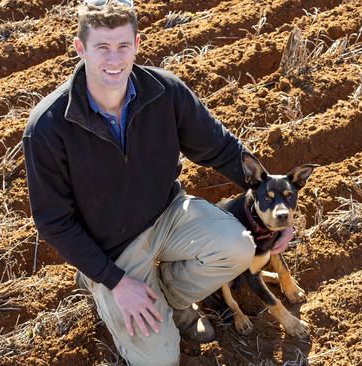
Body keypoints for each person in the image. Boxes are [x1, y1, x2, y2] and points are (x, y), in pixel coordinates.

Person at [22, 0, 292, 364]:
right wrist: (114, 280)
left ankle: (172, 300)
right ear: (80, 48)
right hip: (112, 250)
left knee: (239, 246)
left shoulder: (164, 92)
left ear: (137, 43)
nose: (114, 59)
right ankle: (100, 285)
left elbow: (222, 149)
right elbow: (53, 221)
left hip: (168, 214)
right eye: (102, 47)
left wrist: (271, 205)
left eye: (123, 46)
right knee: (160, 361)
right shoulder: (48, 127)